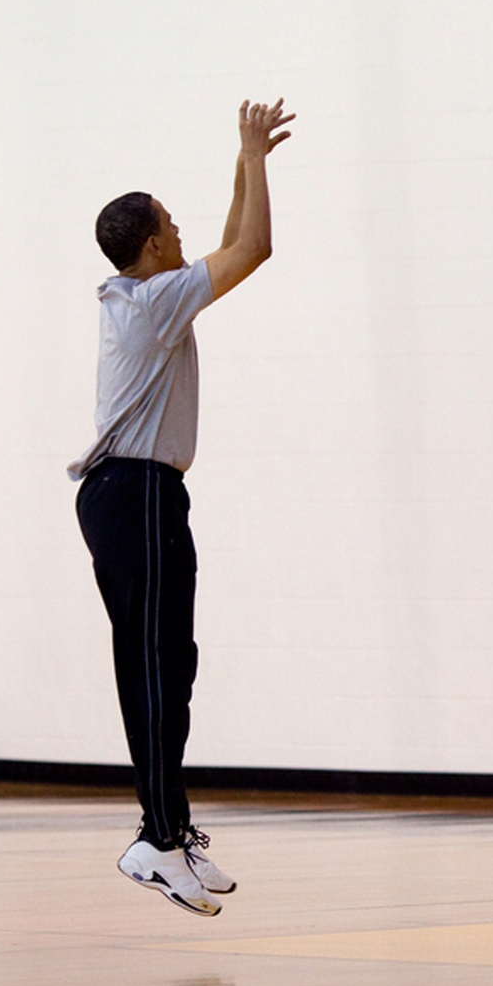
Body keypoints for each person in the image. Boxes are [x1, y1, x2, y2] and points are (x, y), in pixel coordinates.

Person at [67, 99, 295, 916]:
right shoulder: (152, 301)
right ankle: (157, 840)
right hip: (135, 493)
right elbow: (254, 248)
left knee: (169, 663)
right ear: (151, 243)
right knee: (160, 667)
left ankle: (167, 830)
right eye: (170, 221)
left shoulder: (146, 297)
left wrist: (245, 158)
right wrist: (253, 163)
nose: (179, 229)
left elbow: (231, 244)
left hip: (134, 495)